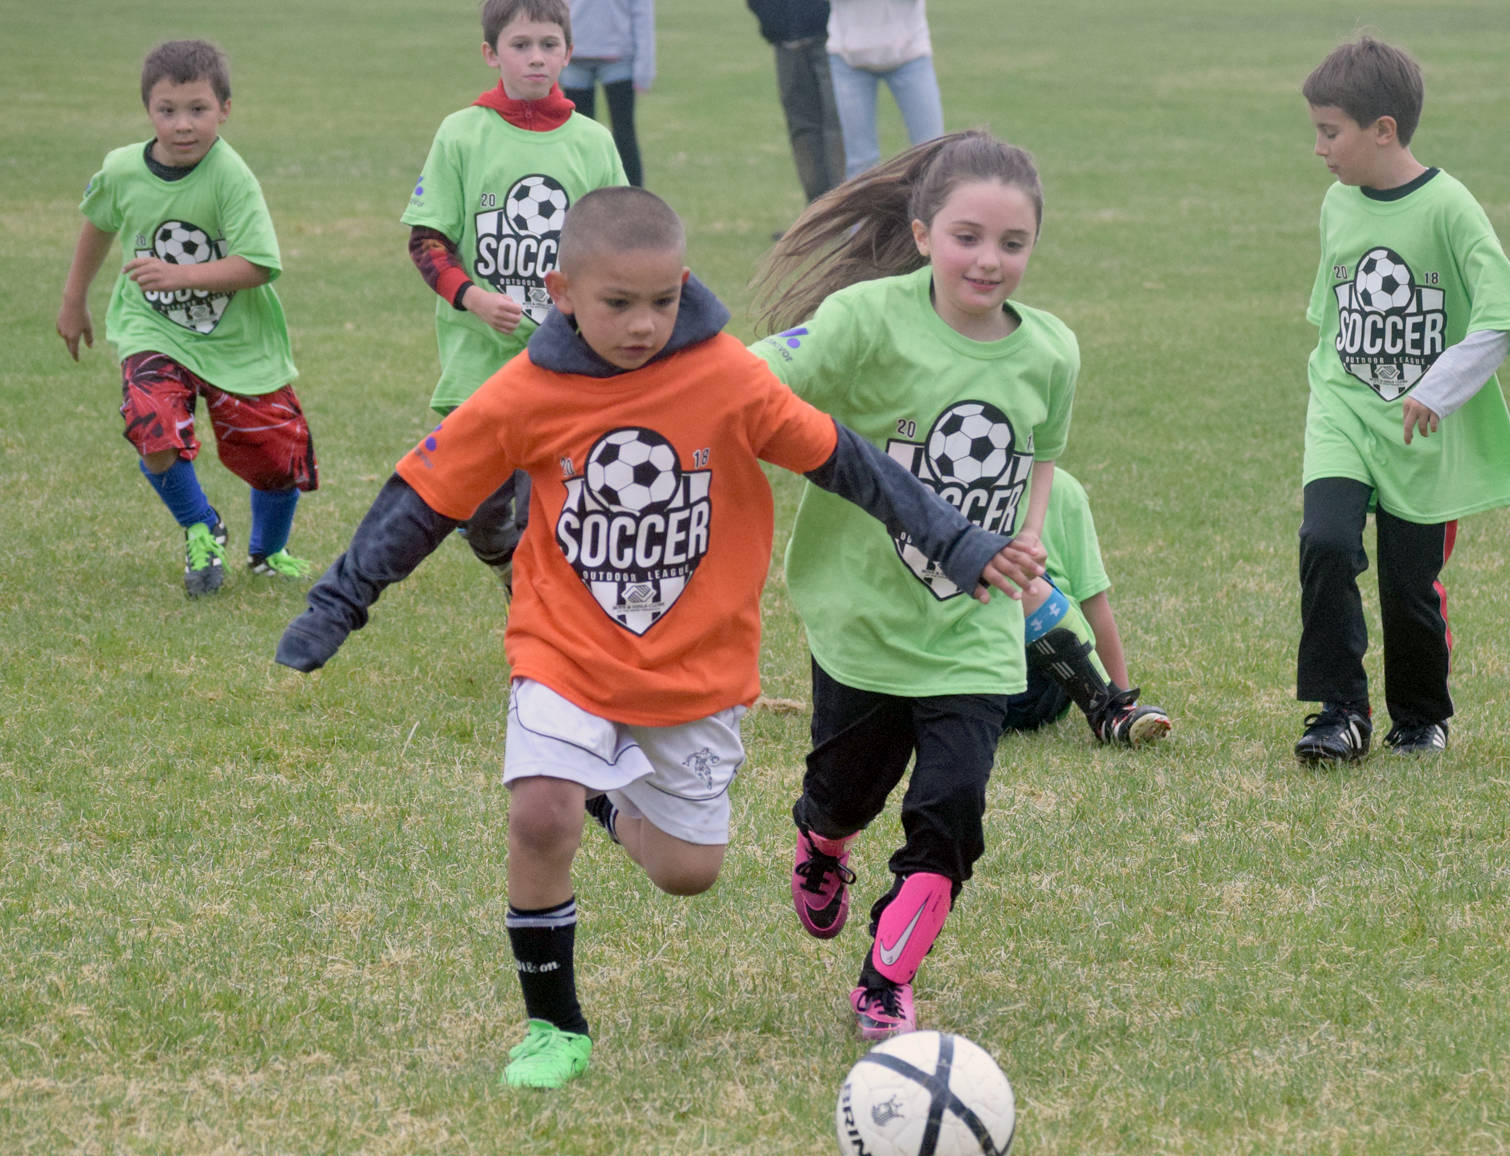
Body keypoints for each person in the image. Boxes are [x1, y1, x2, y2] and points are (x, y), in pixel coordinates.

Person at [275, 186, 1042, 1091]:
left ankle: (607, 800)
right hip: (564, 652)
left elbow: (850, 463)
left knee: (687, 871)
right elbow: (422, 500)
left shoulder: (724, 377)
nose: (643, 325)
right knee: (538, 812)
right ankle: (554, 1026)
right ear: (560, 289)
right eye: (617, 304)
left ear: (684, 282)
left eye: (662, 301)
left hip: (695, 671)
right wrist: (338, 603)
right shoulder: (524, 392)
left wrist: (956, 540)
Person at [751, 131, 1148, 1041]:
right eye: (967, 237)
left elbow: (1040, 455)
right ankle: (821, 840)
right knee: (847, 791)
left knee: (953, 811)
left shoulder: (1050, 349)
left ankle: (886, 979)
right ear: (924, 232)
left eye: (1012, 244)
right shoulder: (864, 318)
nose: (989, 260)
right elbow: (761, 373)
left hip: (972, 627)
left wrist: (1032, 531)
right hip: (863, 619)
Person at [1293, 36, 1510, 765]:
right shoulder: (1336, 205)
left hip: (1421, 430)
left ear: (1383, 130)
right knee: (1325, 543)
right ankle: (1338, 711)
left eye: (1329, 131)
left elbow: (1503, 314)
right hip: (1343, 409)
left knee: (1409, 585)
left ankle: (1419, 717)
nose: (1318, 148)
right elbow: (1335, 320)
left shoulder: (1448, 206)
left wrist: (1438, 387)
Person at [55, 38, 317, 598]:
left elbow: (259, 265)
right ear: (147, 109)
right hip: (153, 331)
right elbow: (98, 221)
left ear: (225, 109)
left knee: (275, 457)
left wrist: (180, 276)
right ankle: (201, 524)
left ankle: (269, 553)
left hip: (235, 340)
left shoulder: (231, 176)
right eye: (166, 110)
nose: (182, 125)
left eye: (198, 110)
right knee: (149, 422)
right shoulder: (122, 169)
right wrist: (74, 298)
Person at [404, 0, 626, 591]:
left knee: (544, 517)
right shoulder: (461, 134)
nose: (536, 57)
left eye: (549, 45)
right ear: (490, 53)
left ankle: (542, 631)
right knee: (483, 519)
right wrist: (474, 298)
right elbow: (427, 243)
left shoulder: (593, 142)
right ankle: (515, 579)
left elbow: (620, 246)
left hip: (566, 363)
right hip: (479, 364)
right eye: (521, 44)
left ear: (568, 53)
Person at [1001, 467, 1172, 744]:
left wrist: (1122, 705)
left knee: (1019, 569)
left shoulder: (1064, 489)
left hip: (1048, 673)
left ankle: (1108, 711)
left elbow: (1095, 606)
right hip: (975, 666)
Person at [824, 0, 943, 180]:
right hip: (849, 58)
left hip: (910, 53)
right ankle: (861, 208)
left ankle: (932, 207)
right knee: (861, 161)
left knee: (932, 151)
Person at [747, 0, 844, 205]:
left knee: (838, 126)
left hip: (829, 37)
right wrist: (771, 19)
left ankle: (844, 212)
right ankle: (815, 215)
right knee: (802, 130)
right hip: (785, 41)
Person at [559, 0, 654, 187]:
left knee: (624, 133)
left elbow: (642, 14)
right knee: (578, 138)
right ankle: (582, 197)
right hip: (574, 58)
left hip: (618, 58)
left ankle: (634, 199)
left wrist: (645, 67)